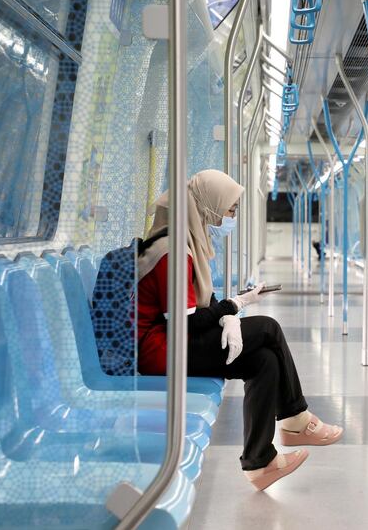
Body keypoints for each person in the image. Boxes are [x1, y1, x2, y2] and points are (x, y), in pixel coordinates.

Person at [136, 169, 343, 491]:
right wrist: (234, 306)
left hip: (172, 341)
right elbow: (185, 321)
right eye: (230, 208)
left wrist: (225, 313)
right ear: (208, 205)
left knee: (264, 361)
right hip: (159, 351)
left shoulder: (186, 243)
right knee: (267, 327)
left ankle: (260, 462)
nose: (232, 215)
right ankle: (295, 419)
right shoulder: (172, 253)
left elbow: (200, 303)